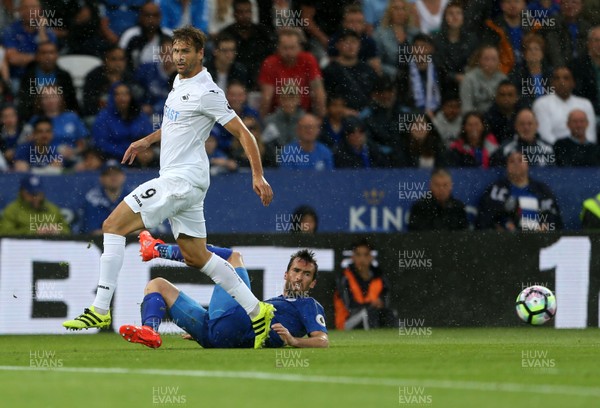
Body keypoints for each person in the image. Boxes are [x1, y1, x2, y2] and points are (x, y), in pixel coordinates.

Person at [62, 26, 276, 350]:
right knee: (196, 256)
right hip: (186, 182)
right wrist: (147, 139)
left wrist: (257, 175)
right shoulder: (178, 83)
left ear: (200, 54)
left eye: (186, 51)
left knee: (112, 225)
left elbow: (244, 133)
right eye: (175, 50)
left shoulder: (208, 91)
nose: (178, 56)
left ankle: (99, 309)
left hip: (181, 180)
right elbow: (175, 125)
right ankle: (257, 310)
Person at [119, 238, 328, 349]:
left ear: (313, 282)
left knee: (233, 257)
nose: (300, 277)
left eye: (307, 274)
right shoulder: (273, 302)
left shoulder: (308, 304)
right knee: (156, 285)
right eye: (296, 271)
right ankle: (150, 331)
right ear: (286, 274)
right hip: (212, 334)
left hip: (229, 328)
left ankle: (158, 249)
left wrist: (294, 341)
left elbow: (322, 341)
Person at [477, 151, 563, 231]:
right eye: (511, 161)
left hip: (539, 240)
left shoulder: (542, 190)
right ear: (506, 167)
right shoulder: (496, 190)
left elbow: (555, 219)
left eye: (520, 160)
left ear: (527, 165)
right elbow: (484, 218)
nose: (516, 164)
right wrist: (501, 228)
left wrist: (543, 227)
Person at [258, 27, 326, 118]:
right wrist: (263, 122)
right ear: (278, 48)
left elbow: (318, 93)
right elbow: (266, 98)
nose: (289, 52)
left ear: (300, 48)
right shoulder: (270, 63)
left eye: (292, 48)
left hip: (303, 114)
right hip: (277, 114)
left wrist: (321, 118)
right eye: (285, 48)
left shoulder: (308, 60)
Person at [333, 239, 396, 330]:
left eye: (366, 255)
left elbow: (385, 301)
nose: (362, 259)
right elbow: (350, 306)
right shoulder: (345, 277)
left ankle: (395, 342)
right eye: (358, 254)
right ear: (353, 257)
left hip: (374, 316)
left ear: (371, 257)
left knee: (389, 313)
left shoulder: (380, 277)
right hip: (347, 322)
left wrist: (380, 303)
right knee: (368, 313)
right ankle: (373, 342)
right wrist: (371, 305)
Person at [2, 0, 58, 91]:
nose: (30, 10)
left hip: (42, 76)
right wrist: (38, 57)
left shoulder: (48, 31)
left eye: (33, 7)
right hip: (18, 77)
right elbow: (13, 58)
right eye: (26, 7)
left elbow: (49, 60)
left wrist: (42, 32)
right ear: (19, 10)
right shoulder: (10, 31)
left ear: (40, 10)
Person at [16, 41, 79, 122]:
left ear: (57, 55)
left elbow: (71, 102)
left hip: (61, 120)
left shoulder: (64, 76)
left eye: (51, 52)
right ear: (37, 56)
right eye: (44, 53)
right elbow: (25, 104)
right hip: (35, 120)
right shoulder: (28, 76)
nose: (48, 56)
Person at [532, 67, 597, 144]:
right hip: (554, 151)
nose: (561, 82)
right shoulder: (541, 103)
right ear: (552, 83)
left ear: (573, 83)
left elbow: (591, 135)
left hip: (584, 150)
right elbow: (544, 135)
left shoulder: (585, 104)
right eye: (557, 78)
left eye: (566, 78)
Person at [219, 0, 275, 90]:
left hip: (260, 79)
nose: (245, 15)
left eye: (248, 12)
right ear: (234, 14)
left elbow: (271, 56)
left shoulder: (263, 33)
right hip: (233, 80)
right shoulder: (226, 34)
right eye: (241, 12)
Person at [91, 82, 153, 160]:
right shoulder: (103, 117)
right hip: (113, 158)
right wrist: (126, 152)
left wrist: (145, 151)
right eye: (118, 94)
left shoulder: (139, 114)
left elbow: (149, 136)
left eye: (126, 94)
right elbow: (101, 143)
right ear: (112, 97)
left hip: (139, 157)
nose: (122, 98)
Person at [323, 30, 378, 115]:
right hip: (342, 118)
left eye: (354, 42)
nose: (350, 45)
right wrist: (344, 111)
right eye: (346, 42)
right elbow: (326, 101)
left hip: (368, 116)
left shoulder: (368, 69)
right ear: (338, 45)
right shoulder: (329, 71)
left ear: (359, 45)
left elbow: (375, 94)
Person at [0, 174, 70, 235]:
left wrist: (57, 231)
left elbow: (67, 231)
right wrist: (34, 232)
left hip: (49, 248)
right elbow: (4, 233)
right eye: (32, 194)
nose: (36, 197)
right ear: (22, 192)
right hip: (22, 248)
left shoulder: (52, 209)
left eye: (38, 193)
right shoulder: (12, 210)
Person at [118, 2, 173, 71]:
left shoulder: (169, 35)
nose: (151, 20)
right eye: (147, 15)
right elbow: (120, 58)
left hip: (164, 79)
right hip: (134, 78)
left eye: (155, 15)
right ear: (140, 16)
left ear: (160, 17)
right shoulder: (130, 35)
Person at [80, 160, 127, 235]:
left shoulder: (132, 197)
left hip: (130, 243)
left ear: (123, 176)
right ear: (101, 178)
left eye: (116, 174)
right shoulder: (92, 199)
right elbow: (93, 231)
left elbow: (139, 230)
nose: (113, 177)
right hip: (98, 243)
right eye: (108, 174)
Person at [508, 32, 553, 108]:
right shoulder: (517, 74)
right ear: (524, 54)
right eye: (529, 49)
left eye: (536, 49)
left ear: (542, 54)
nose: (533, 52)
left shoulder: (551, 73)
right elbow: (518, 97)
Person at [460, 45, 507, 114]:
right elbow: (466, 107)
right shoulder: (469, 79)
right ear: (479, 60)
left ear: (498, 61)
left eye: (494, 59)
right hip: (476, 119)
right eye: (486, 59)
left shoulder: (503, 79)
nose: (490, 63)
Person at [570, 26, 600, 116]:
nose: (599, 44)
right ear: (589, 43)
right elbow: (577, 95)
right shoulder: (576, 66)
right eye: (596, 40)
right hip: (585, 114)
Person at [484, 80, 521, 144]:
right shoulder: (488, 117)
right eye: (502, 95)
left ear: (516, 97)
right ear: (496, 97)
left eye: (510, 95)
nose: (506, 98)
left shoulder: (522, 115)